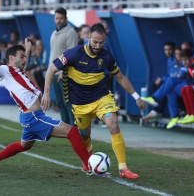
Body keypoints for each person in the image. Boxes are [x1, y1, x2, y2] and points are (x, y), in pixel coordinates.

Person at [0, 39, 93, 176]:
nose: (25, 60)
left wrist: (28, 50)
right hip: (34, 117)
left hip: (28, 117)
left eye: (25, 57)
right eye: (21, 57)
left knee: (23, 146)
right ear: (11, 58)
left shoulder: (18, 72)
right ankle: (90, 166)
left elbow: (23, 67)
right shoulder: (5, 71)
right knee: (72, 132)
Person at [42, 23, 145, 179]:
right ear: (87, 37)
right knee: (84, 136)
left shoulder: (106, 57)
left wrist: (137, 97)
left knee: (113, 125)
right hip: (80, 103)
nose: (98, 46)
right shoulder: (74, 53)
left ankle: (123, 168)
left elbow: (120, 77)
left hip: (101, 98)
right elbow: (51, 69)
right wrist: (47, 93)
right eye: (95, 42)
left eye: (101, 42)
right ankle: (89, 158)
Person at [48, 7, 79, 126]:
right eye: (56, 18)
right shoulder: (54, 33)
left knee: (68, 103)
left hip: (64, 74)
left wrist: (63, 72)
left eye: (61, 18)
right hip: (54, 72)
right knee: (60, 103)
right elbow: (53, 54)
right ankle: (65, 128)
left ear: (66, 18)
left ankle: (74, 129)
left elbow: (72, 55)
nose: (59, 20)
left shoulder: (70, 33)